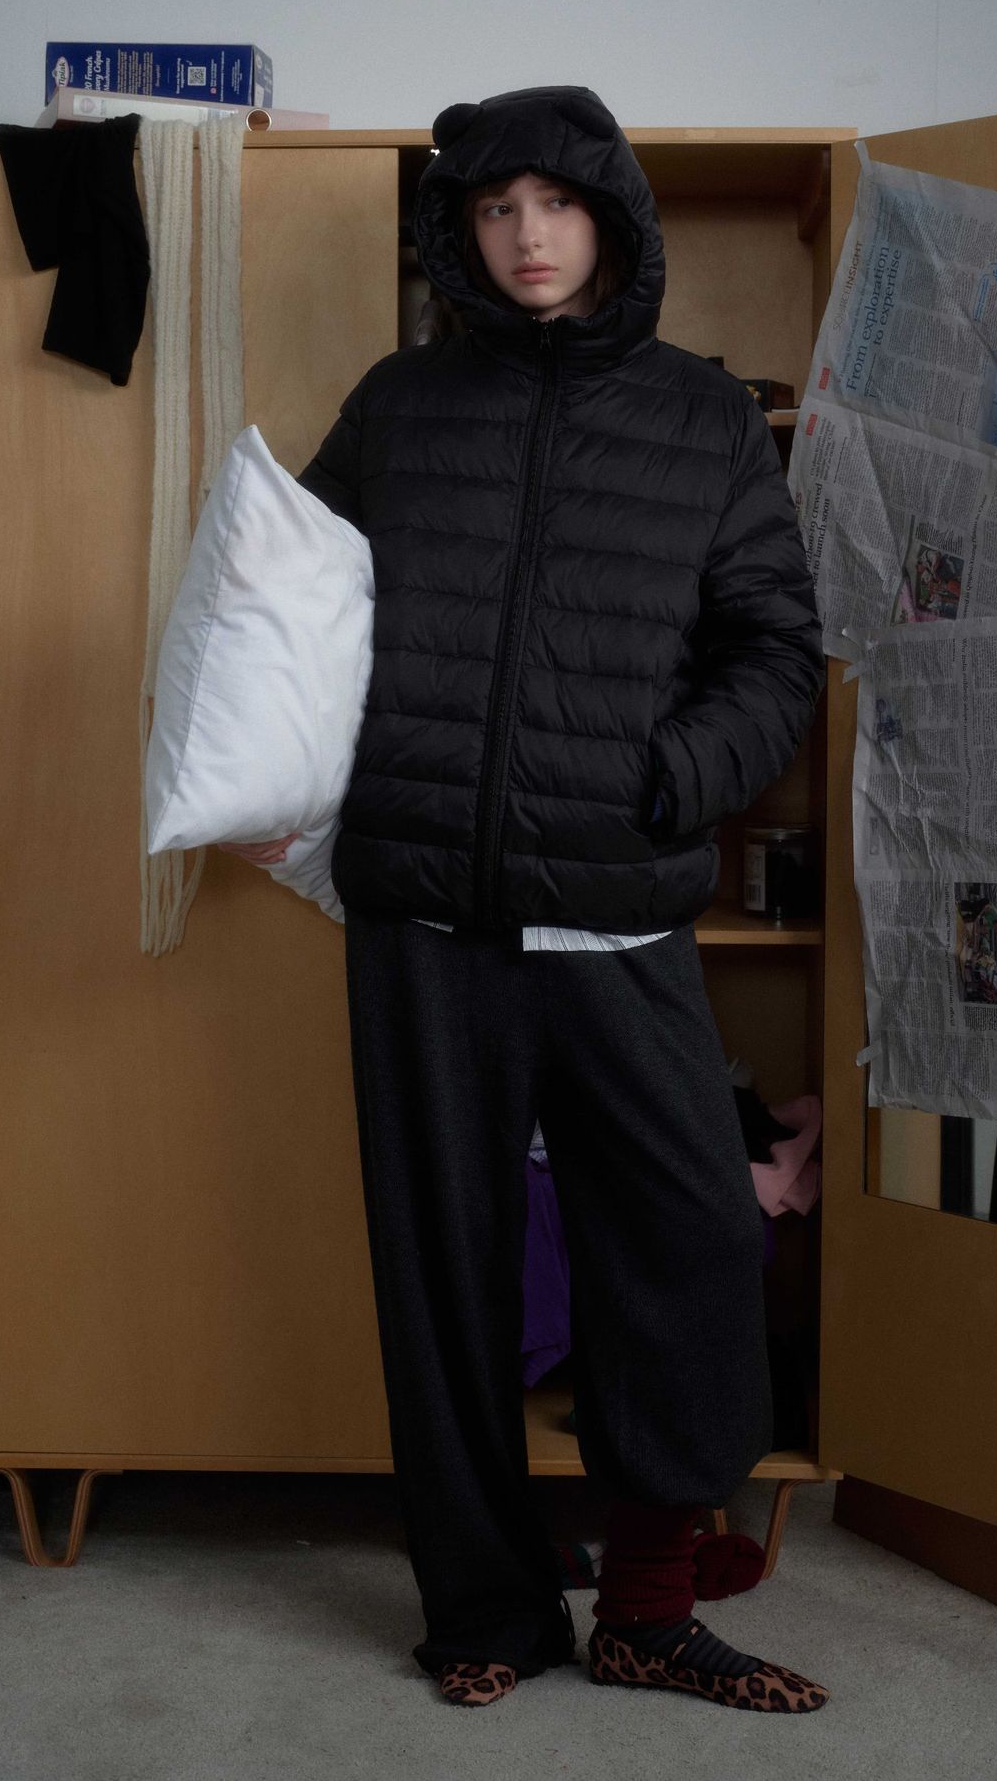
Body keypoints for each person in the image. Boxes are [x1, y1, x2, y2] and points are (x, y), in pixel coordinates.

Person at [221, 85, 828, 1713]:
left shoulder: (700, 419)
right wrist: (285, 786)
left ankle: (648, 1609)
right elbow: (301, 618)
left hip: (616, 913)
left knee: (693, 1245)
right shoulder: (401, 406)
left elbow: (776, 647)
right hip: (423, 922)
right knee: (447, 1279)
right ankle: (488, 1609)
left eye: (557, 204)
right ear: (459, 234)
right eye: (494, 210)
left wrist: (670, 777)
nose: (528, 237)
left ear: (613, 219)